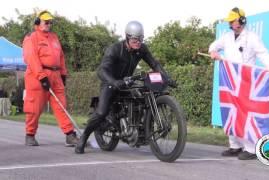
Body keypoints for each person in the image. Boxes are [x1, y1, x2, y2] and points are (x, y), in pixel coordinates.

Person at [75, 21, 175, 154]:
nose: (138, 42)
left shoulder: (142, 49)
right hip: (110, 82)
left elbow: (154, 64)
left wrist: (166, 77)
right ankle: (83, 138)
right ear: (127, 37)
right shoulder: (115, 49)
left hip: (127, 81)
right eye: (135, 39)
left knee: (143, 94)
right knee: (101, 113)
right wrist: (114, 82)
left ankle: (140, 128)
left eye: (140, 38)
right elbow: (101, 70)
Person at [208, 7, 269, 160]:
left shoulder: (252, 37)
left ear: (241, 20)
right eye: (230, 21)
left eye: (233, 20)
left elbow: (263, 53)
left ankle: (251, 149)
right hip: (229, 81)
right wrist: (213, 52)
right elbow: (213, 46)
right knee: (231, 112)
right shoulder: (226, 37)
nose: (231, 23)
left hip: (245, 82)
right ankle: (235, 146)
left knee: (244, 113)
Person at [22, 10, 79, 146]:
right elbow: (32, 59)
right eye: (46, 21)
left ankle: (70, 135)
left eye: (50, 22)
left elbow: (61, 57)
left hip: (56, 76)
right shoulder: (32, 38)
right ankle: (30, 135)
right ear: (38, 22)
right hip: (37, 77)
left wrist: (63, 74)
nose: (49, 24)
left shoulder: (54, 37)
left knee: (61, 106)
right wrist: (42, 77)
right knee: (34, 108)